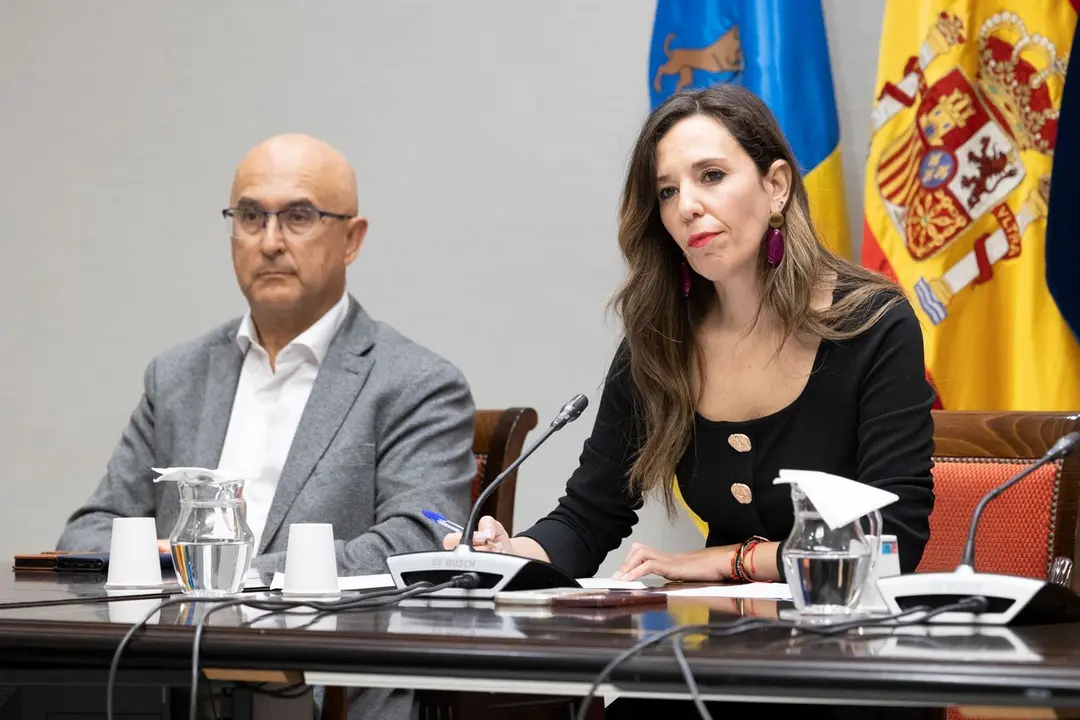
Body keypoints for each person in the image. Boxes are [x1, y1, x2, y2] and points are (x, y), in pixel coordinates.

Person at [444, 85, 936, 719]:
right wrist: (520, 556)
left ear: (777, 184)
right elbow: (591, 515)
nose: (688, 207)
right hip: (714, 663)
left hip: (848, 667)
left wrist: (728, 560)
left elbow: (890, 540)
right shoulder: (658, 341)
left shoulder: (870, 323)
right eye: (668, 191)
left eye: (711, 176)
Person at [58, 133, 477, 579]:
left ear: (351, 240)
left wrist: (230, 573)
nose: (270, 242)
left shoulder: (418, 383)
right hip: (173, 638)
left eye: (299, 216)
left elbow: (422, 541)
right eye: (252, 216)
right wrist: (166, 564)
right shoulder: (178, 376)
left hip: (321, 640)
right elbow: (90, 530)